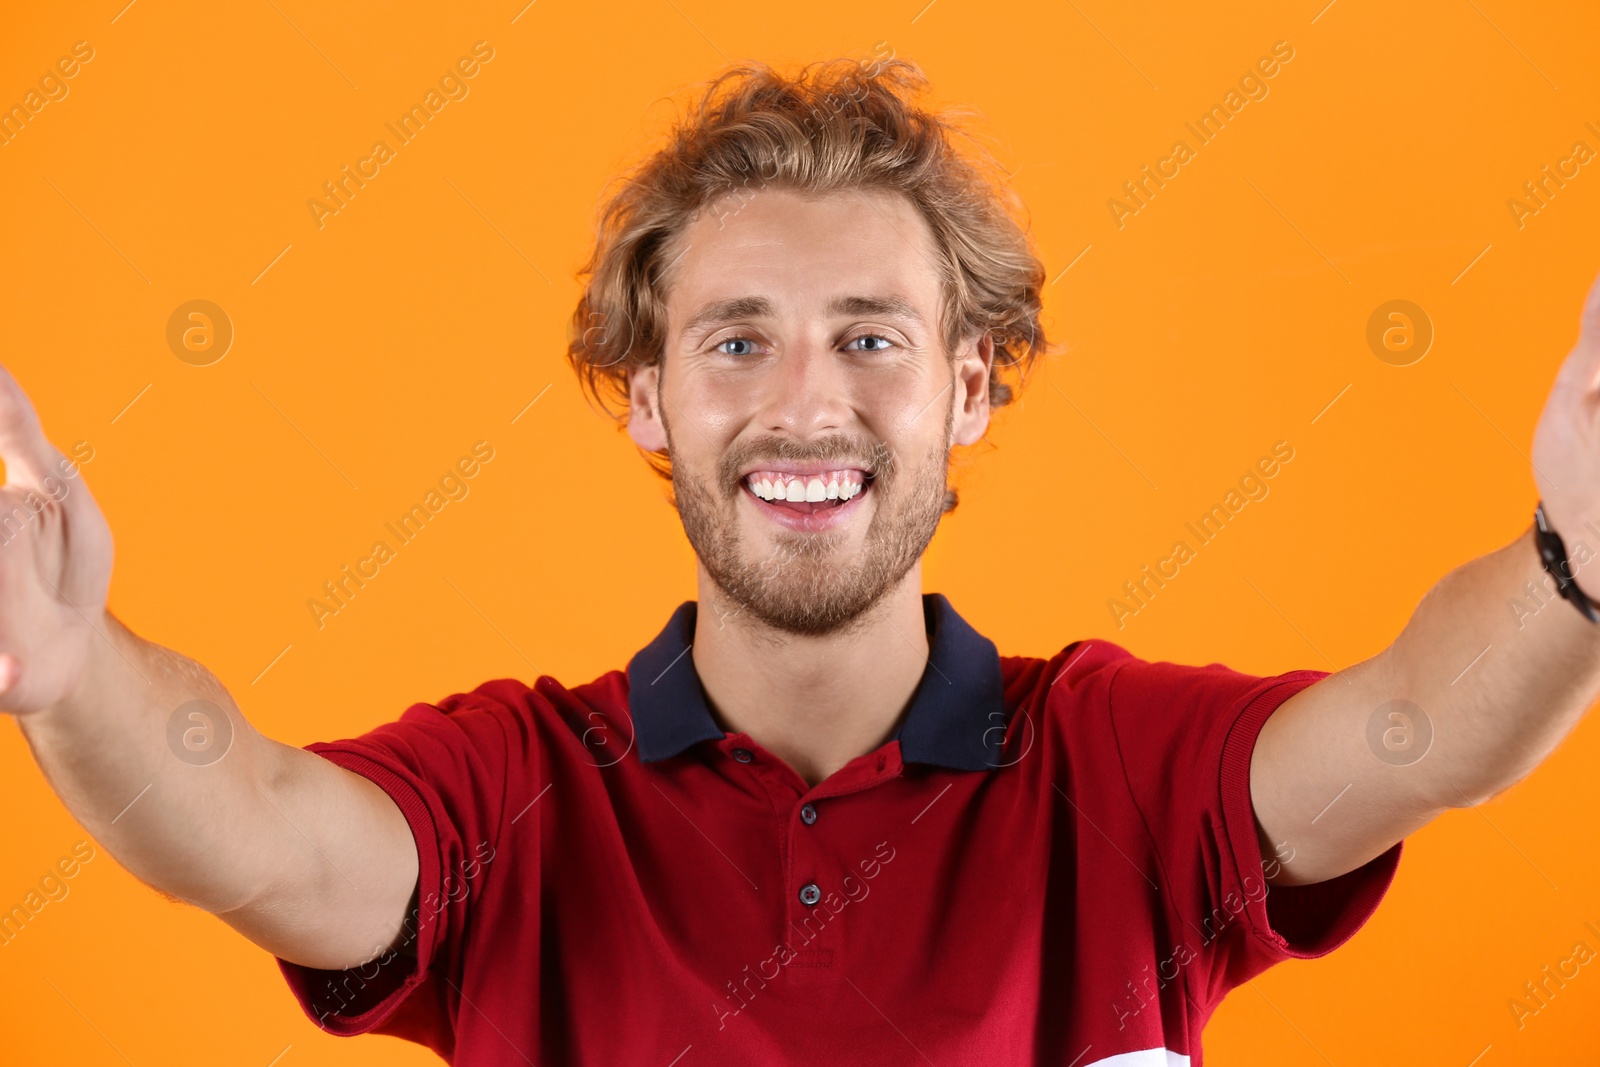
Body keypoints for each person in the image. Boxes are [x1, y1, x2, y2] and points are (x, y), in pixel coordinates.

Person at [6, 54, 1600, 1066]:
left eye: (871, 337)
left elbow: (1418, 727)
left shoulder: (1124, 772)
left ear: (968, 387)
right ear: (651, 399)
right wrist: (68, 668)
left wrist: (1579, 565)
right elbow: (267, 838)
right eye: (737, 340)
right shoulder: (515, 797)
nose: (802, 403)